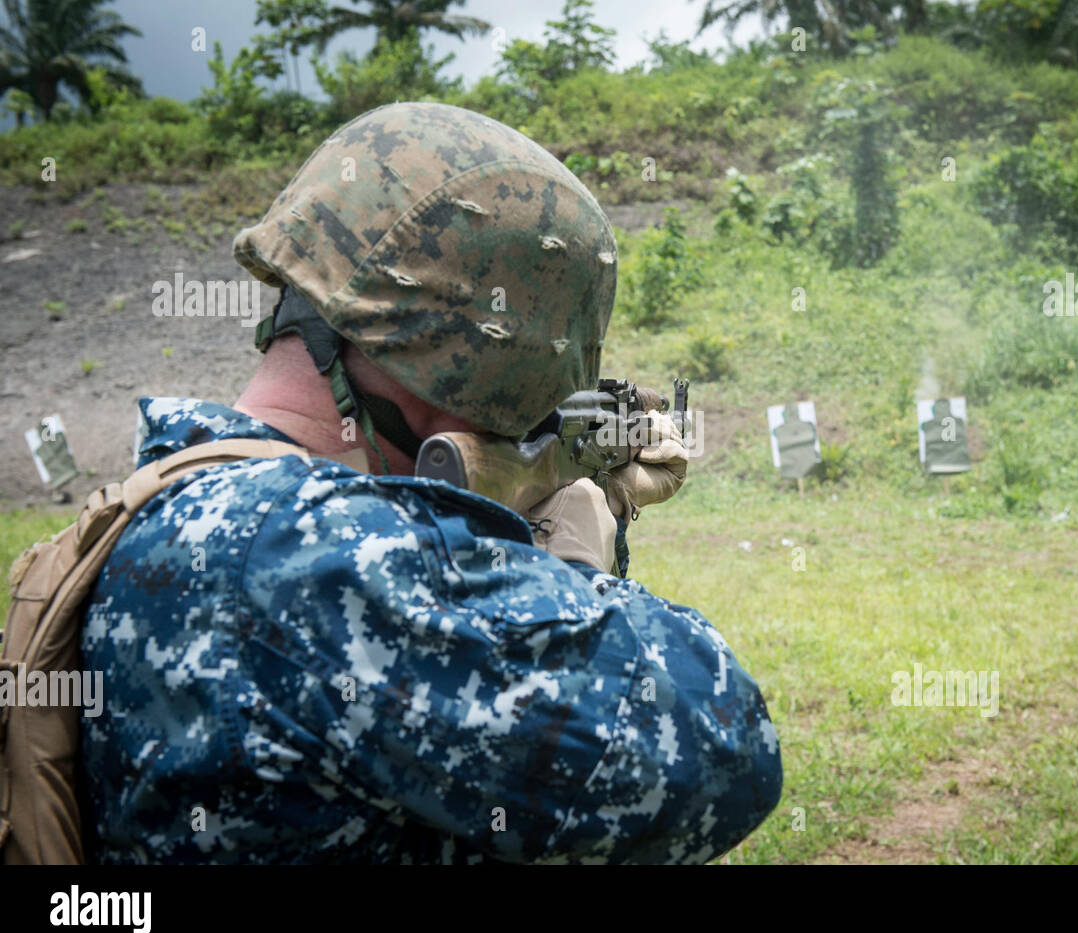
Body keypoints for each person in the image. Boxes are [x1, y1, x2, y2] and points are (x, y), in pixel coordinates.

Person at [78, 102, 782, 864]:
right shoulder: (323, 560)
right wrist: (572, 560)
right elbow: (727, 744)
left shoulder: (154, 507)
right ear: (473, 376)